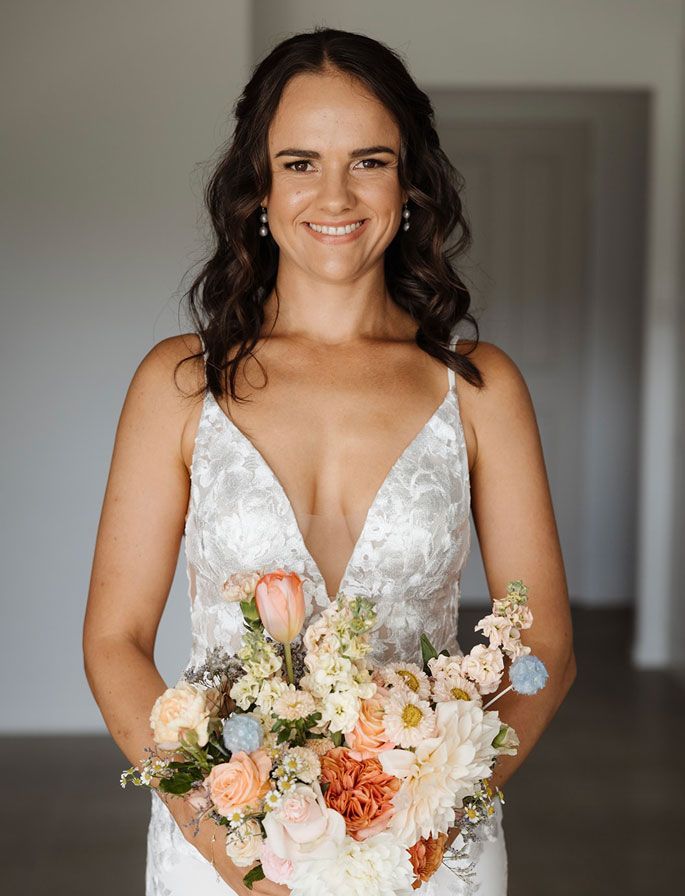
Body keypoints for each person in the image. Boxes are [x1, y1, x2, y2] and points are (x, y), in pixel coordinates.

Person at [83, 26, 576, 896]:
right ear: (258, 188)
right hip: (220, 852)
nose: (335, 193)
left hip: (432, 851)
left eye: (370, 160)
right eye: (300, 162)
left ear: (411, 184)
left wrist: (424, 823)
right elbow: (115, 642)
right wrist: (229, 850)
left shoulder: (479, 386)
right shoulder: (181, 381)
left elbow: (545, 645)